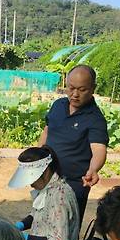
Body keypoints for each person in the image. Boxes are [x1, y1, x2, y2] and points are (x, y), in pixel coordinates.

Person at [38, 65, 108, 228]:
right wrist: (37, 156)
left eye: (82, 89)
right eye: (71, 88)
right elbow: (47, 132)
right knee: (42, 222)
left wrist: (94, 169)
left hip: (74, 184)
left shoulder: (95, 118)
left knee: (66, 229)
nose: (75, 94)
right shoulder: (58, 105)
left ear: (92, 89)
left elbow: (99, 149)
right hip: (48, 178)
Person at [8, 146, 80, 240]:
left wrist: (25, 238)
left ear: (45, 171)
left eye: (32, 178)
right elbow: (35, 215)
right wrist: (20, 225)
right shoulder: (46, 189)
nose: (30, 184)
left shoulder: (59, 196)